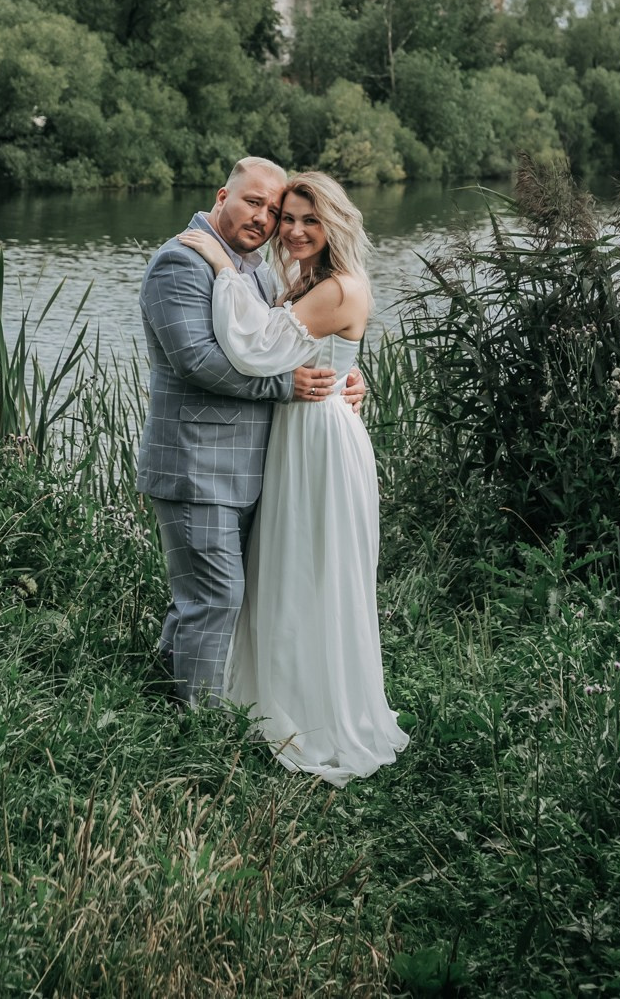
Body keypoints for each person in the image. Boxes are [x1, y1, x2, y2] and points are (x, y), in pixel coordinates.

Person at [178, 171, 409, 786]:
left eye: (312, 218)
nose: (297, 229)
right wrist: (354, 377)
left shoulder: (337, 287)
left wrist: (221, 268)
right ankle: (274, 694)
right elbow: (316, 352)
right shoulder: (303, 280)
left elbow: (255, 346)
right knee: (287, 568)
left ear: (336, 223)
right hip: (298, 437)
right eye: (290, 217)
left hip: (321, 444)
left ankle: (318, 714)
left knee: (316, 571)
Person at [137, 157, 364, 708]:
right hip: (197, 465)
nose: (267, 220)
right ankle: (200, 730)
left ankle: (161, 696)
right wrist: (290, 388)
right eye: (254, 203)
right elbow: (197, 360)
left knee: (207, 600)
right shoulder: (181, 262)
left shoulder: (257, 270)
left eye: (275, 209)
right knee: (215, 597)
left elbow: (289, 343)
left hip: (254, 468)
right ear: (222, 195)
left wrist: (343, 381)